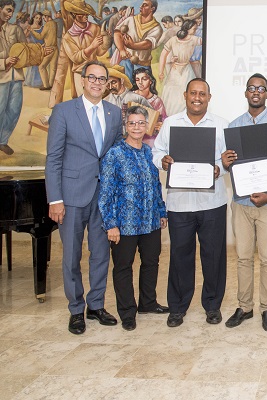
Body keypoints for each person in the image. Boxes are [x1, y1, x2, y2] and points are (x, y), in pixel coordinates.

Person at [45, 60, 123, 335]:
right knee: (71, 256)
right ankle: (76, 309)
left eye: (102, 79)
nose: (97, 83)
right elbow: (53, 158)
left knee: (101, 254)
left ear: (107, 84)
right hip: (72, 196)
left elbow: (115, 157)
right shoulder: (64, 111)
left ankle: (96, 305)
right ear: (82, 80)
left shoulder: (114, 113)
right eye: (92, 77)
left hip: (103, 198)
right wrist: (55, 199)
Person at [152, 78, 229, 328]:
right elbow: (157, 152)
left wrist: (219, 169)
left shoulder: (221, 125)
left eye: (202, 94)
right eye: (193, 93)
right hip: (179, 203)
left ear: (209, 97)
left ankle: (213, 305)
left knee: (214, 256)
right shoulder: (171, 123)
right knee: (179, 256)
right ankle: (177, 307)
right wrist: (162, 161)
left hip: (212, 202)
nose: (197, 97)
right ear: (185, 95)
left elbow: (229, 161)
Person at [221, 73, 267, 331]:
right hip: (241, 202)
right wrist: (226, 162)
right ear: (246, 93)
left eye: (261, 88)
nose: (256, 92)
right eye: (252, 88)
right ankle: (245, 307)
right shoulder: (235, 125)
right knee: (242, 258)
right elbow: (232, 166)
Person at [98, 106, 169, 331]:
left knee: (151, 262)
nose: (137, 127)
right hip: (124, 224)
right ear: (125, 126)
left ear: (147, 126)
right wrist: (111, 224)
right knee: (123, 267)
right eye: (132, 123)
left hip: (150, 221)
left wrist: (161, 211)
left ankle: (147, 303)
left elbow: (155, 186)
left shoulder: (148, 152)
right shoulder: (114, 154)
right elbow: (106, 192)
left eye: (141, 123)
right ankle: (127, 312)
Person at [49, 0, 110, 107]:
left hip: (95, 71)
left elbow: (100, 52)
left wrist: (107, 42)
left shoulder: (95, 28)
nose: (86, 16)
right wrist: (92, 46)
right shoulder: (68, 37)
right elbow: (76, 58)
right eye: (82, 13)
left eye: (86, 13)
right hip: (80, 74)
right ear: (74, 15)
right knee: (86, 104)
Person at [158, 19, 201, 116]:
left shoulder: (194, 39)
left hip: (187, 70)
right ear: (188, 28)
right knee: (171, 94)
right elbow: (163, 54)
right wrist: (161, 71)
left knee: (186, 93)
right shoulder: (173, 40)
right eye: (193, 29)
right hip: (175, 71)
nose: (195, 32)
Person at [0, 0, 26, 156]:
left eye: (12, 11)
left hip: (15, 76)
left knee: (14, 109)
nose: (10, 14)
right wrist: (4, 61)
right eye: (8, 10)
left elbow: (25, 49)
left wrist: (41, 52)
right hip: (1, 77)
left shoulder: (15, 29)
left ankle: (3, 141)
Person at [113, 0, 162, 81]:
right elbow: (117, 32)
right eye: (141, 4)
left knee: (141, 91)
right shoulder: (131, 20)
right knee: (124, 87)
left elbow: (148, 44)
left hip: (143, 65)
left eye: (145, 5)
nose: (141, 6)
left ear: (152, 9)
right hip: (126, 62)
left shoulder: (156, 28)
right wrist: (121, 49)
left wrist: (132, 45)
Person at [30, 10, 59, 91]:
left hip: (49, 49)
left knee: (41, 67)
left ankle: (46, 85)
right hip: (55, 48)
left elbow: (40, 37)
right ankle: (51, 85)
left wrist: (32, 31)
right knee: (52, 68)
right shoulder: (54, 24)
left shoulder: (47, 25)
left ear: (46, 17)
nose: (43, 19)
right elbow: (51, 37)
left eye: (43, 18)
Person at [24, 12, 44, 88]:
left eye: (39, 18)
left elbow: (44, 37)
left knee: (40, 64)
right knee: (33, 64)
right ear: (33, 18)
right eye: (36, 18)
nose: (38, 20)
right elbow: (24, 36)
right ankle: (31, 81)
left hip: (41, 48)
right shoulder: (30, 27)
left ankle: (39, 82)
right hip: (33, 48)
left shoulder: (42, 27)